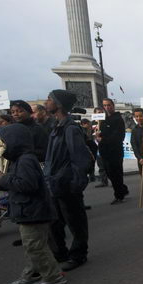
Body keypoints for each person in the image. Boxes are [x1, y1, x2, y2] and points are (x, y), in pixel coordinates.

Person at [0, 124, 67, 284]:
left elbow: (28, 184)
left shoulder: (25, 160)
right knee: (31, 246)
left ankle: (53, 276)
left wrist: (3, 179)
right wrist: (2, 181)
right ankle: (32, 273)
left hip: (33, 211)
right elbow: (17, 183)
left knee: (35, 246)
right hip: (27, 210)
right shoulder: (19, 159)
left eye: (2, 141)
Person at [44, 89, 92, 272]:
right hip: (54, 184)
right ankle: (60, 254)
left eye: (50, 99)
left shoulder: (70, 129)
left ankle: (78, 254)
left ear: (59, 104)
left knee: (75, 223)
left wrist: (75, 184)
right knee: (55, 223)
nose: (47, 102)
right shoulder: (57, 126)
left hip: (67, 185)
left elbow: (80, 159)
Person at [97, 98, 129, 204]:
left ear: (113, 105)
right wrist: (98, 135)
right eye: (105, 105)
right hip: (104, 151)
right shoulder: (103, 119)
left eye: (109, 105)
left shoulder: (118, 119)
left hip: (115, 152)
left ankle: (119, 195)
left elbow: (119, 136)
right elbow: (101, 133)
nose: (107, 107)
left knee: (116, 174)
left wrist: (104, 139)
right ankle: (122, 189)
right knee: (109, 173)